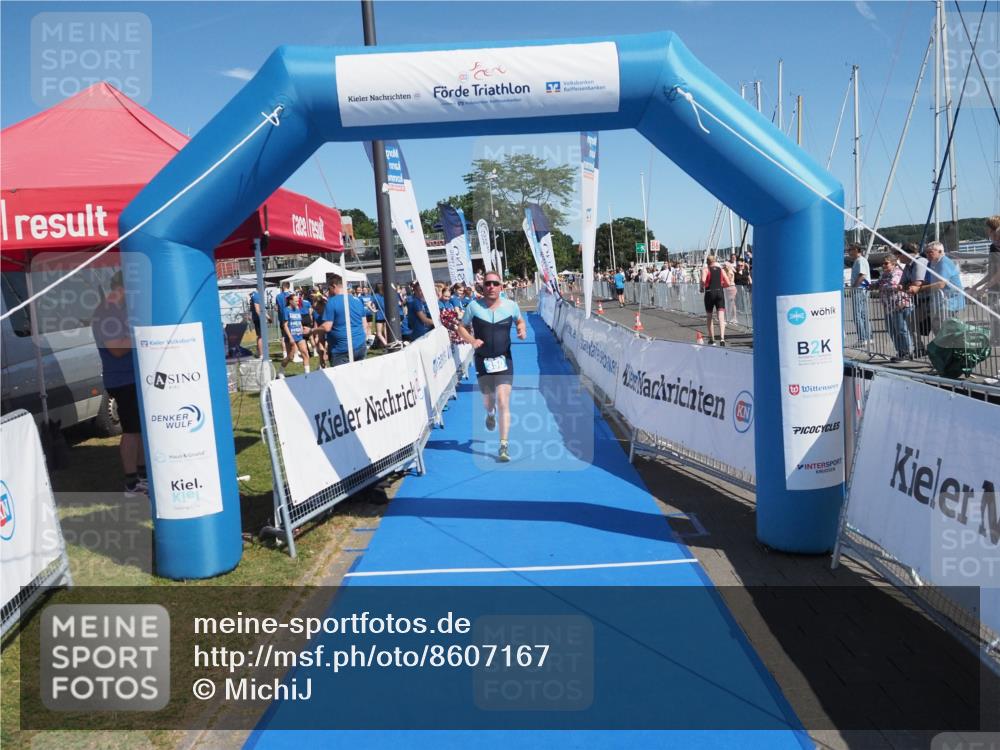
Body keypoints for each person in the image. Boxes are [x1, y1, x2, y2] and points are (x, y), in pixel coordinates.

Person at [456, 271, 527, 463]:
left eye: (495, 283)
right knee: (489, 401)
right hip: (483, 360)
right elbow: (461, 327)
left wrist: (521, 329)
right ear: (483, 286)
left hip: (504, 360)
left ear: (501, 287)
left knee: (504, 401)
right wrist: (471, 340)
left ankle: (503, 446)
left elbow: (519, 320)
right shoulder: (473, 307)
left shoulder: (511, 306)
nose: (492, 287)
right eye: (488, 283)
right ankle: (490, 413)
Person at [91, 271, 146, 497]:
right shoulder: (107, 313)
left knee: (139, 430)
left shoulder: (118, 310)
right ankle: (131, 482)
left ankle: (142, 477)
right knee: (132, 431)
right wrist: (143, 336)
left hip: (131, 378)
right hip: (123, 380)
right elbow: (116, 348)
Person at [321, 273, 370, 365]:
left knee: (341, 379)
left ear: (334, 286)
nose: (328, 291)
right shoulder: (357, 300)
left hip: (342, 350)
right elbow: (365, 325)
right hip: (360, 346)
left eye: (329, 288)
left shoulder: (331, 302)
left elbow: (327, 327)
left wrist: (312, 330)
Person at [920, 240, 965, 335]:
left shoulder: (944, 263)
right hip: (942, 300)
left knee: (942, 327)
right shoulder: (934, 263)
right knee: (939, 326)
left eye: (930, 252)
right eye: (926, 252)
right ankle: (945, 346)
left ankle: (948, 346)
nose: (927, 254)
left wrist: (921, 288)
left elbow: (941, 284)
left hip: (950, 300)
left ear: (940, 252)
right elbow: (932, 281)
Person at [968, 216, 1000, 344]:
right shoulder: (994, 247)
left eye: (987, 228)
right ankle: (995, 338)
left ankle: (996, 339)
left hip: (996, 289)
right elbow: (992, 272)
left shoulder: (995, 247)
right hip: (994, 287)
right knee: (994, 316)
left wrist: (984, 287)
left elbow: (998, 273)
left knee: (995, 316)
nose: (986, 231)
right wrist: (976, 286)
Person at [874, 256, 912, 362]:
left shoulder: (898, 273)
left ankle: (906, 352)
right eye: (883, 263)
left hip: (899, 305)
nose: (884, 265)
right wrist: (874, 285)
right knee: (891, 330)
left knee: (901, 330)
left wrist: (881, 285)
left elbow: (893, 285)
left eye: (886, 263)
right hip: (888, 306)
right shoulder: (884, 274)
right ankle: (899, 352)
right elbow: (878, 283)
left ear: (893, 264)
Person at [279, 290, 311, 377]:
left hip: (299, 336)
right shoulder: (286, 310)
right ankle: (281, 371)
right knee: (290, 357)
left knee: (305, 353)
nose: (297, 302)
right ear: (290, 301)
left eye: (298, 301)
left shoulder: (297, 309)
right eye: (296, 301)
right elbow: (285, 325)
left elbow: (299, 322)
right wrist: (290, 338)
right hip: (290, 337)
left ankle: (307, 375)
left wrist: (301, 330)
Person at [701, 254, 729, 345]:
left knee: (709, 316)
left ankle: (711, 338)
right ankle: (722, 338)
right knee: (721, 317)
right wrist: (721, 286)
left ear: (707, 262)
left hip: (709, 292)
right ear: (715, 261)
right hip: (719, 292)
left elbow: (703, 280)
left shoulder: (706, 270)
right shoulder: (721, 270)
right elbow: (728, 283)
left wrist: (702, 288)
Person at [848, 244, 871, 347]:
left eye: (850, 250)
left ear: (856, 250)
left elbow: (862, 275)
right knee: (863, 314)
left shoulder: (860, 260)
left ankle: (863, 338)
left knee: (858, 314)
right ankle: (868, 337)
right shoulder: (859, 260)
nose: (848, 252)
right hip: (862, 290)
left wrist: (854, 286)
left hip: (859, 290)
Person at [249, 288, 271, 358]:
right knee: (261, 337)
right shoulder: (256, 296)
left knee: (261, 336)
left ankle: (259, 352)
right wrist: (263, 319)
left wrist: (268, 317)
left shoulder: (257, 295)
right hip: (258, 319)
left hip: (259, 318)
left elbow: (262, 309)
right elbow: (257, 309)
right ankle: (261, 355)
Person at [275, 280, 292, 361]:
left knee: (283, 337)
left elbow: (276, 308)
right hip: (292, 318)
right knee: (293, 335)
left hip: (282, 319)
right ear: (288, 287)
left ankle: (285, 353)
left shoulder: (278, 296)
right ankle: (294, 353)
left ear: (283, 287)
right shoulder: (292, 295)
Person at [372, 282, 389, 348]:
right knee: (386, 331)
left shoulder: (375, 296)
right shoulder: (386, 295)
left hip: (379, 316)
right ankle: (388, 344)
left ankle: (386, 345)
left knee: (379, 333)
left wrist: (373, 310)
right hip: (386, 314)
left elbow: (369, 304)